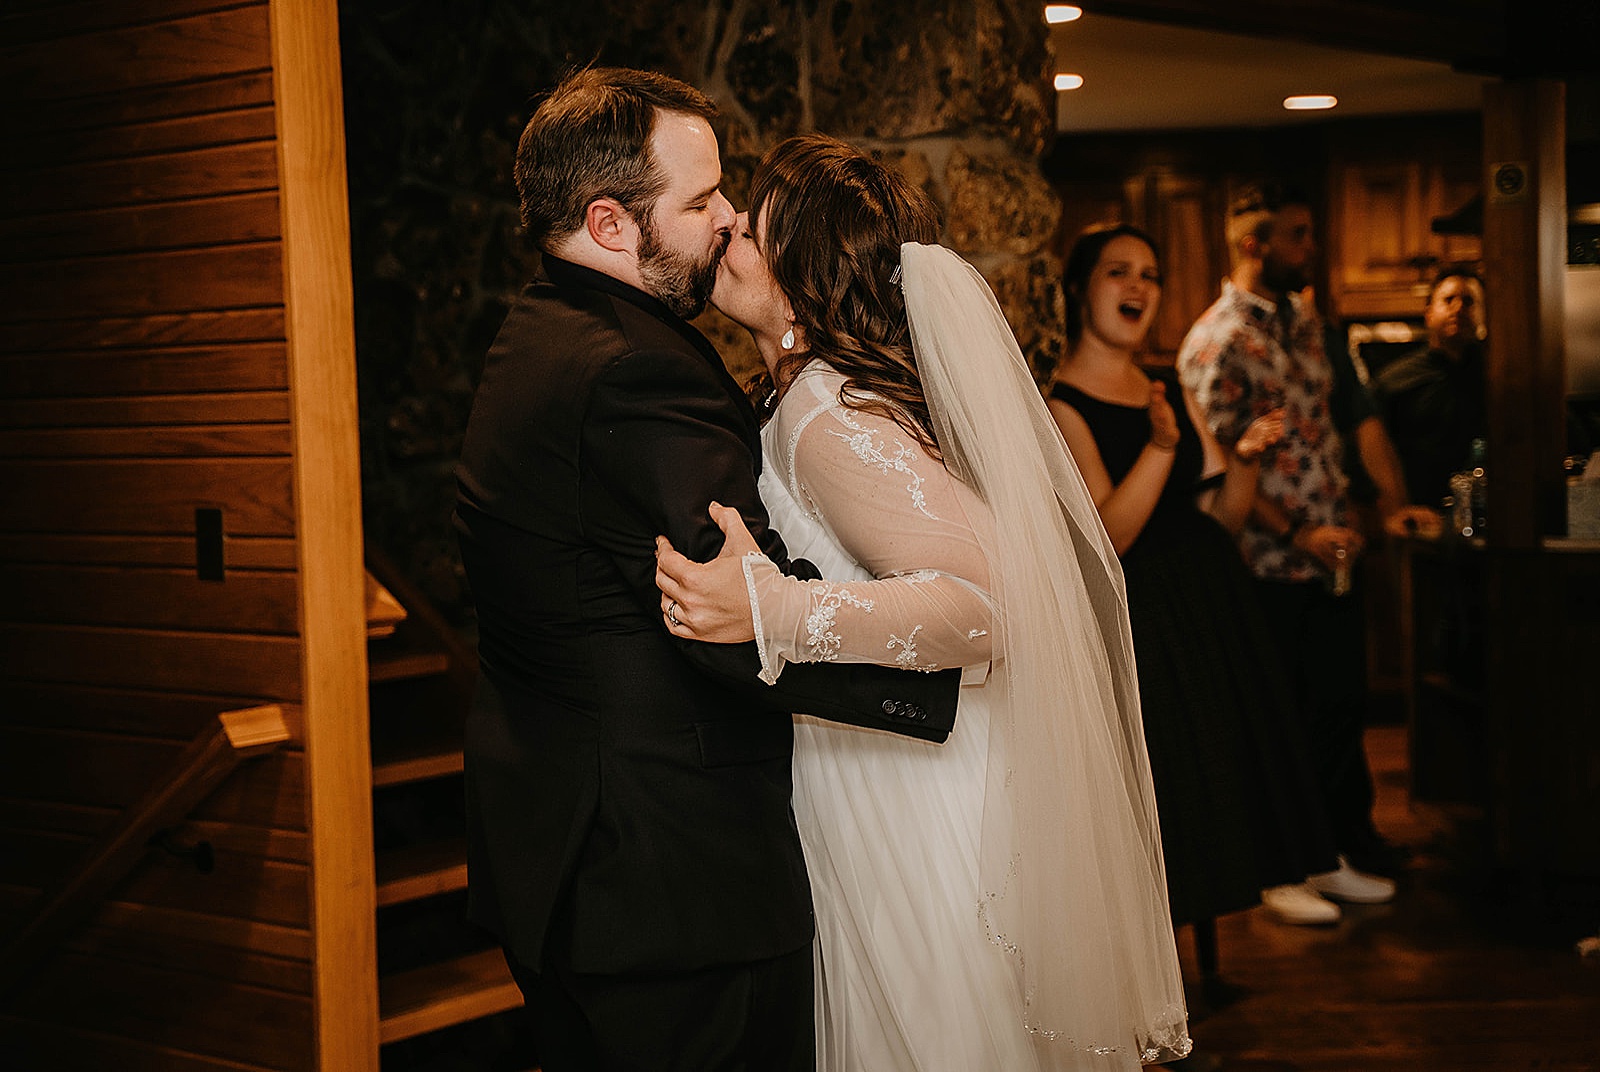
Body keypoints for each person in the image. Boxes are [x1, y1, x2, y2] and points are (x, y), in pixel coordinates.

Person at [453, 69, 961, 1071]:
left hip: (561, 849)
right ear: (609, 223)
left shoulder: (533, 331)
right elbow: (729, 613)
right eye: (698, 203)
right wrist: (940, 680)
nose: (728, 220)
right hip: (672, 887)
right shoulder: (639, 371)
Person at [657, 134, 1190, 1071]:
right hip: (871, 763)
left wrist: (772, 611)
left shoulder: (828, 413)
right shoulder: (801, 399)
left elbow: (980, 605)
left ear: (805, 275)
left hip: (902, 791)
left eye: (755, 227)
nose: (729, 231)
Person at [1046, 223, 1342, 929]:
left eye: (1149, 274)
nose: (1138, 287)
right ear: (1080, 289)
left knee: (1232, 774)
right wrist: (1159, 446)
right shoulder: (1059, 402)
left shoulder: (1165, 384)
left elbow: (1224, 518)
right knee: (1174, 786)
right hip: (1142, 615)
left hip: (1207, 602)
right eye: (1119, 272)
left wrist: (1242, 458)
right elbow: (1109, 534)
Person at [1176, 183, 1405, 893]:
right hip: (1265, 560)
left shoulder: (1308, 325)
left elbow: (1331, 429)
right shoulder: (1218, 340)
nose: (1311, 248)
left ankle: (1336, 848)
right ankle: (1284, 869)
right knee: (1279, 719)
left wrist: (1363, 515)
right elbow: (1212, 463)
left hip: (1331, 551)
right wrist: (1298, 529)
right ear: (1255, 245)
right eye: (1298, 235)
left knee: (1339, 705)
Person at [1373, 267, 1488, 509]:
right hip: (1420, 516)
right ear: (1428, 313)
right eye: (1448, 300)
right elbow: (1371, 456)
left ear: (1483, 314)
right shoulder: (1395, 382)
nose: (1458, 308)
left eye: (1468, 301)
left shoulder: (1503, 377)